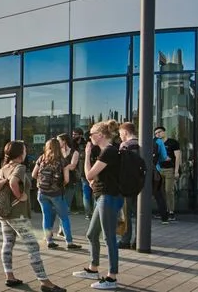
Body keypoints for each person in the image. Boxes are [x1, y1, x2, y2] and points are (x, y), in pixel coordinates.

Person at [0, 141, 67, 292]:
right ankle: (44, 282)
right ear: (20, 154)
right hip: (17, 215)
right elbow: (14, 182)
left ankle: (10, 277)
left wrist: (3, 181)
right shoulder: (19, 167)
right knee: (33, 246)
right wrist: (20, 196)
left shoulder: (4, 168)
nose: (26, 152)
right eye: (25, 150)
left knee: (8, 243)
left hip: (4, 213)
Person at [73, 119, 122, 290]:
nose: (89, 137)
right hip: (102, 196)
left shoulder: (108, 151)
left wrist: (86, 155)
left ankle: (111, 277)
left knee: (109, 238)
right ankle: (93, 269)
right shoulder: (105, 151)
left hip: (109, 197)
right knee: (92, 234)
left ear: (100, 135)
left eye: (91, 134)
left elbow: (89, 175)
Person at [33, 138, 81, 250]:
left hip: (42, 192)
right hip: (56, 194)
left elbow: (34, 174)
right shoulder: (62, 161)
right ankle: (69, 242)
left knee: (46, 216)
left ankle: (49, 240)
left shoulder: (42, 158)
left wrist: (42, 182)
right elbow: (67, 180)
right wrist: (59, 185)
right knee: (64, 217)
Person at [154, 126, 180, 221]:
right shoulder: (156, 143)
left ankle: (171, 212)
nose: (158, 134)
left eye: (159, 132)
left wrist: (176, 171)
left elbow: (178, 157)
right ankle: (163, 211)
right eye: (156, 133)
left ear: (164, 132)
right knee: (160, 192)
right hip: (159, 170)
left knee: (169, 191)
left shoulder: (173, 142)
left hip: (169, 169)